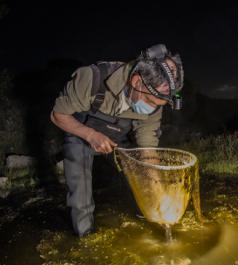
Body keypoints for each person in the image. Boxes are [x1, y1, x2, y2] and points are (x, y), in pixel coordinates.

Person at [50, 44, 184, 237]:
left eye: (159, 105)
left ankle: (152, 221)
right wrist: (90, 135)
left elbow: (147, 149)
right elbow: (58, 115)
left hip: (117, 138)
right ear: (137, 82)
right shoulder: (91, 78)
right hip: (80, 133)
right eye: (152, 103)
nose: (154, 108)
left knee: (139, 178)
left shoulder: (156, 98)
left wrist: (155, 186)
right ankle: (85, 238)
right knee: (80, 194)